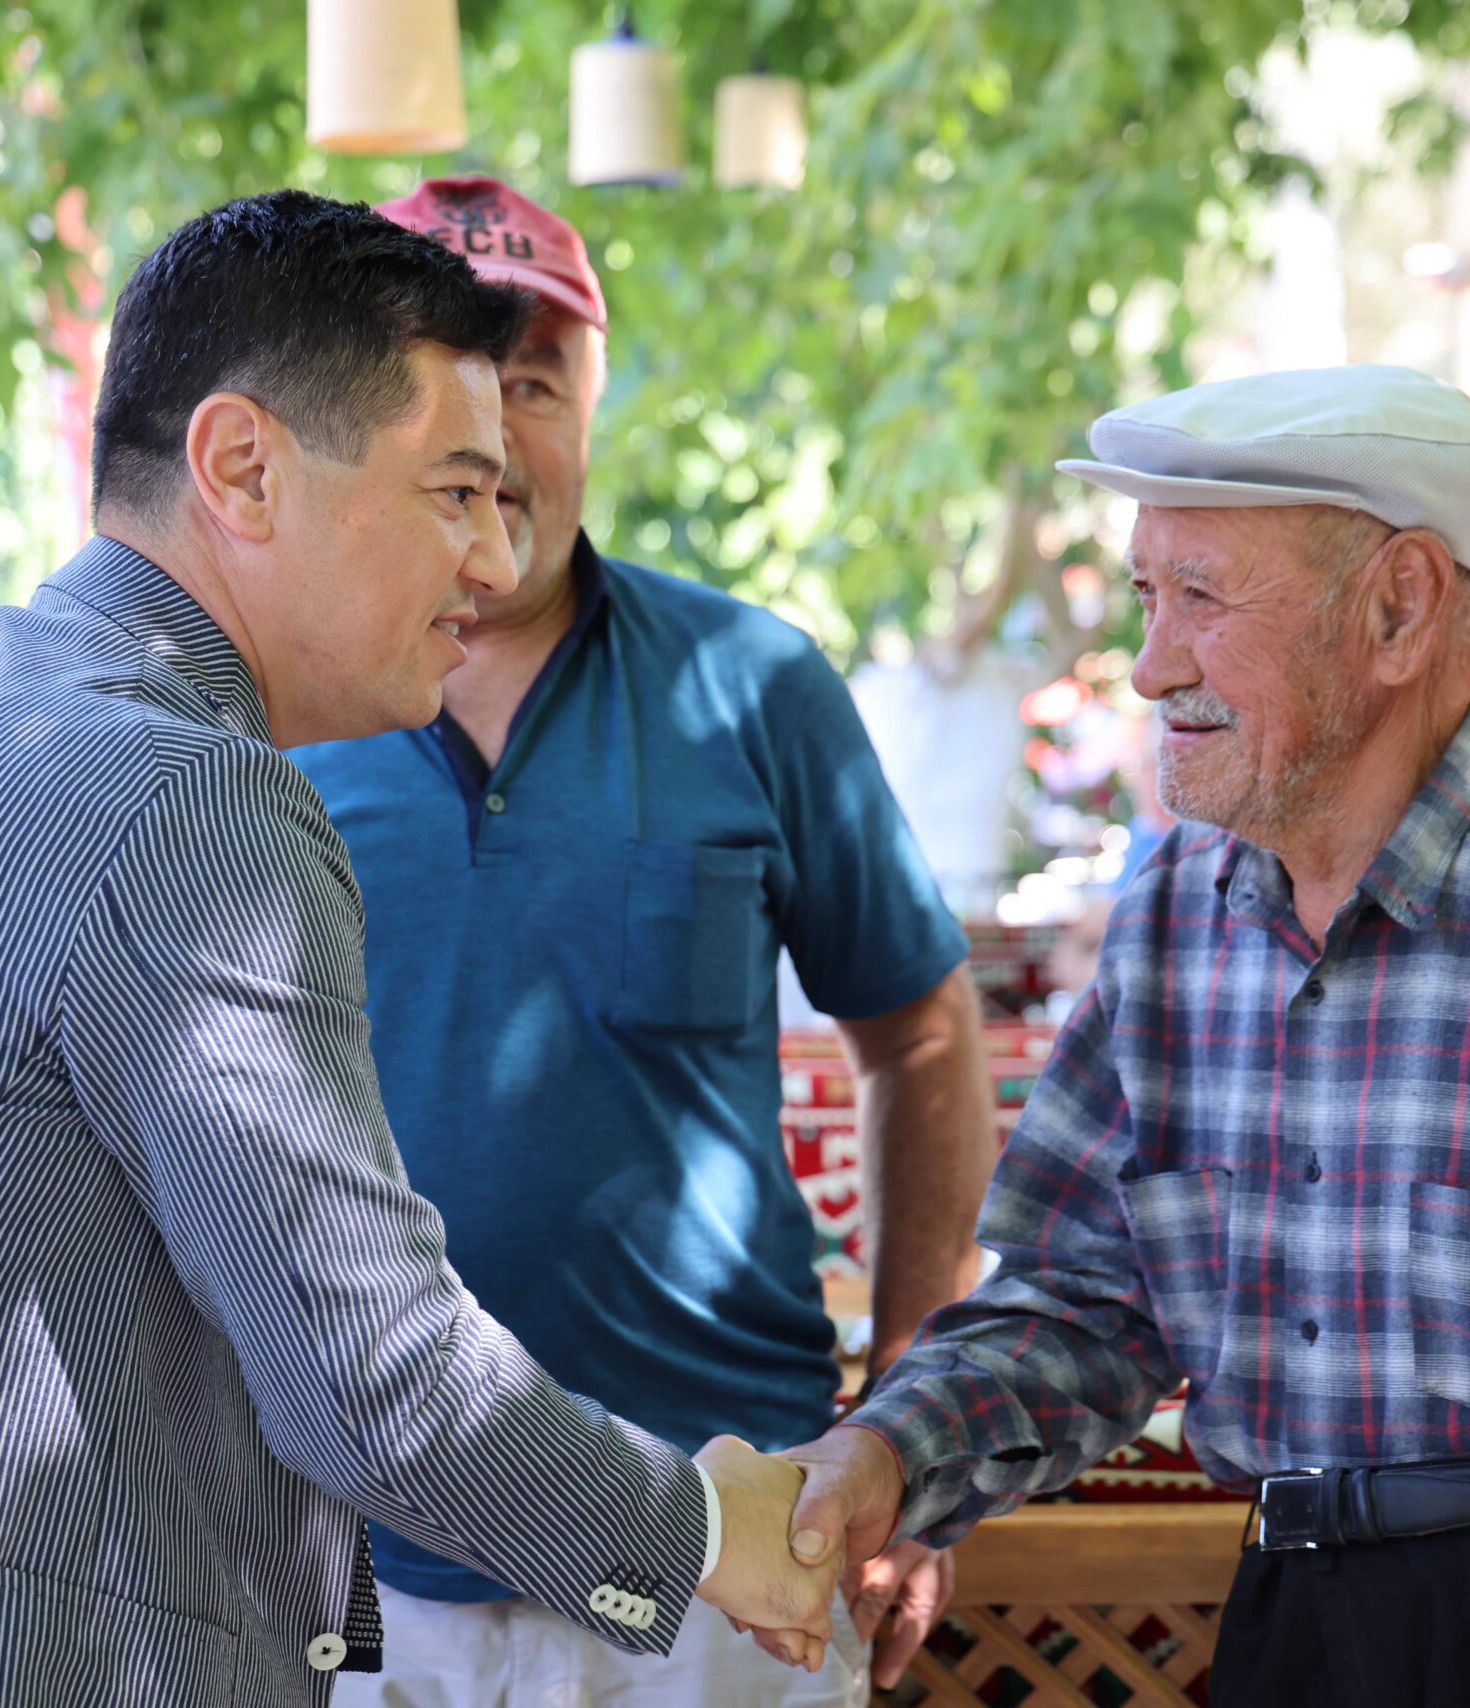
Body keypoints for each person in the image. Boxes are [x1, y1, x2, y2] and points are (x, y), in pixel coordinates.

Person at [0, 191, 839, 1707]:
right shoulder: (181, 793)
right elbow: (380, 1382)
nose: (495, 564)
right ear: (242, 467)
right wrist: (708, 1528)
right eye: (453, 491)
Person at [767, 365, 1470, 1708]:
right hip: (1303, 1621)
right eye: (1150, 599)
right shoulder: (1176, 904)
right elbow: (1084, 1298)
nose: (1151, 667)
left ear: (1401, 606)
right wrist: (885, 1459)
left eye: (1202, 599)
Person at [293, 175, 994, 1708]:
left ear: (597, 404)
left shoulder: (754, 685)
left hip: (721, 1557)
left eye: (532, 380)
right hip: (360, 1565)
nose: (491, 433)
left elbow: (923, 1033)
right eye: (441, 383)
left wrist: (907, 1421)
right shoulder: (273, 714)